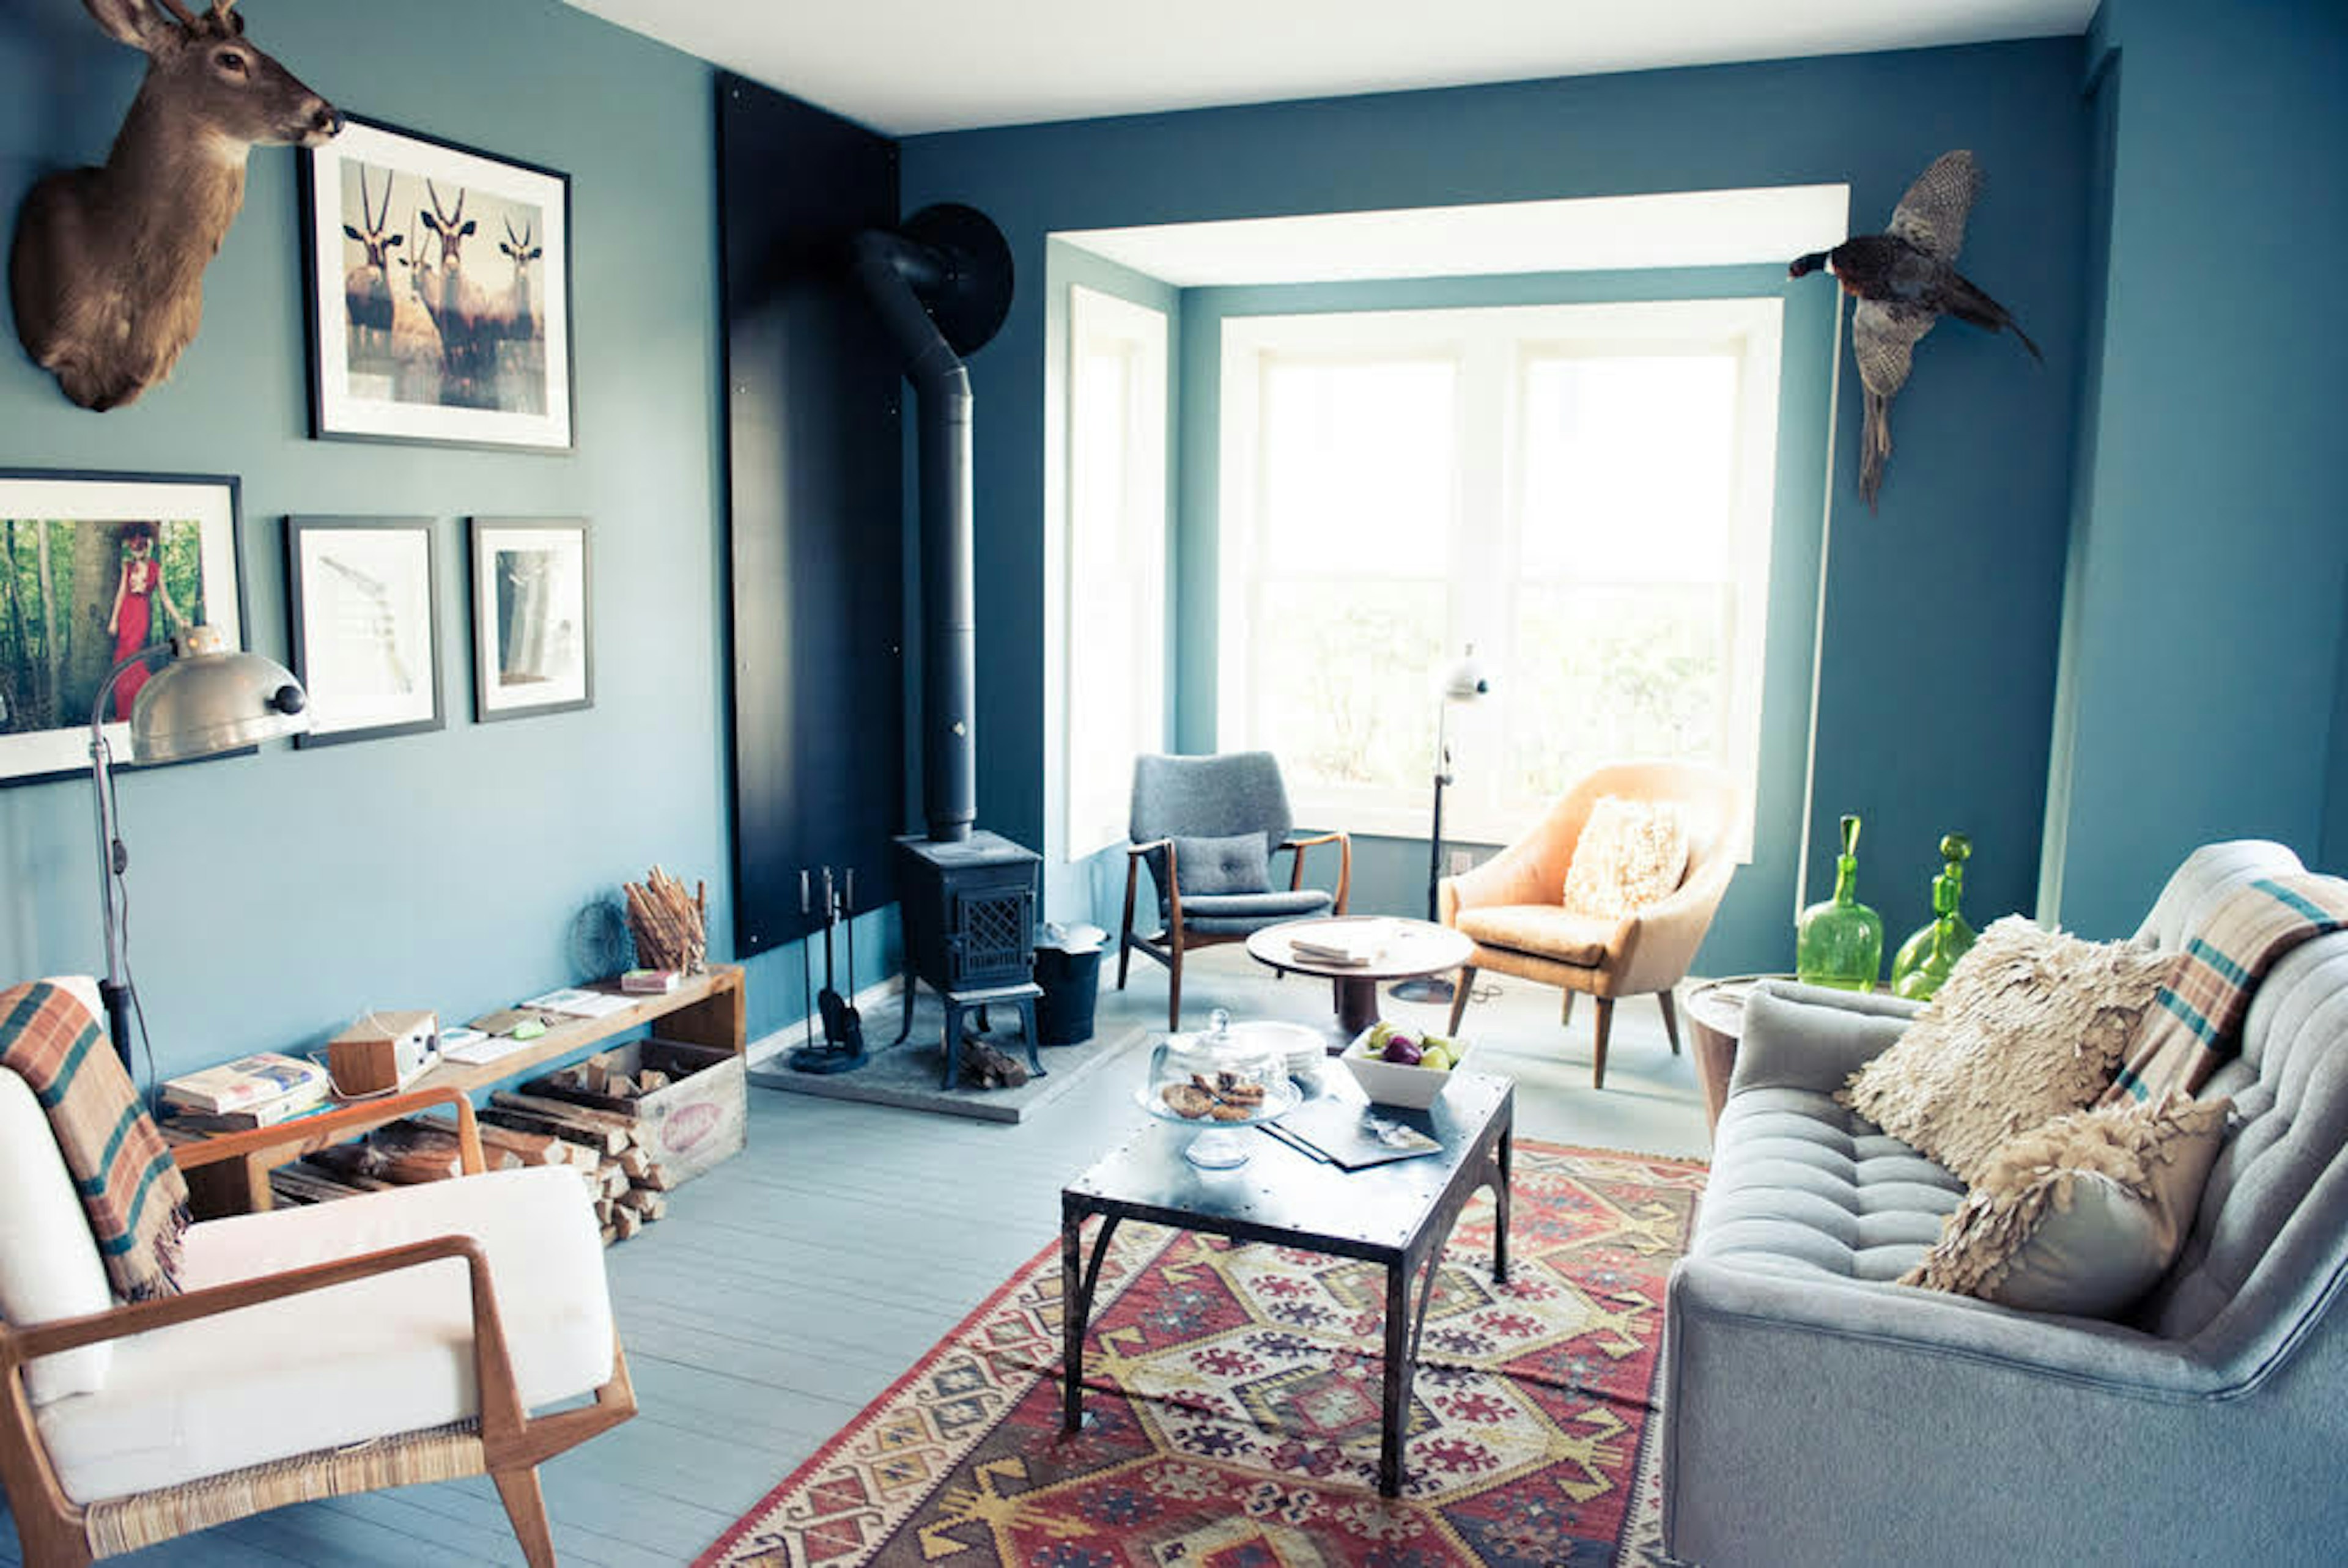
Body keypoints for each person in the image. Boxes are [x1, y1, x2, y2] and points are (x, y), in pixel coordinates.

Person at [106, 523, 184, 720]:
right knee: (123, 656)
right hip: (126, 613)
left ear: (148, 546)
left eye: (142, 546)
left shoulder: (156, 569)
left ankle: (142, 696)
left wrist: (180, 620)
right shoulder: (128, 566)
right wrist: (114, 620)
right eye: (135, 547)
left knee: (134, 655)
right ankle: (125, 707)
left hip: (141, 614)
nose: (139, 550)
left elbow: (165, 598)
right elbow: (121, 593)